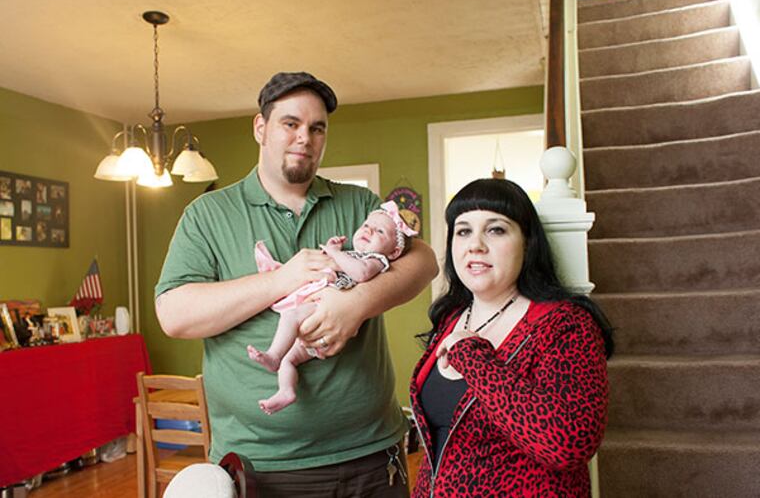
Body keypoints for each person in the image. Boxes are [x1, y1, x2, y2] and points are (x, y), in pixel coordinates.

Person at [155, 71, 437, 497]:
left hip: (372, 456)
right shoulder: (208, 214)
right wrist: (281, 280)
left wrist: (356, 304)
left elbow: (425, 263)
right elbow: (174, 315)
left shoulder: (359, 204)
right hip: (263, 466)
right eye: (291, 123)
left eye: (317, 127)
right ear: (261, 127)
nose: (305, 137)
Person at [409, 178, 613, 497]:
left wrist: (474, 357)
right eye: (463, 230)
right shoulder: (451, 318)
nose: (475, 244)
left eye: (496, 229)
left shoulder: (565, 325)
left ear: (527, 242)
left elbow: (568, 443)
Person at [248, 200, 418, 414]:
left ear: (393, 252)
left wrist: (336, 254)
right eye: (366, 225)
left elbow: (361, 273)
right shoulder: (352, 254)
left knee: (291, 316)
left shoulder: (376, 260)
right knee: (289, 360)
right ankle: (285, 391)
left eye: (380, 231)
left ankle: (273, 354)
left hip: (326, 316)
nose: (369, 230)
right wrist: (335, 249)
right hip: (317, 319)